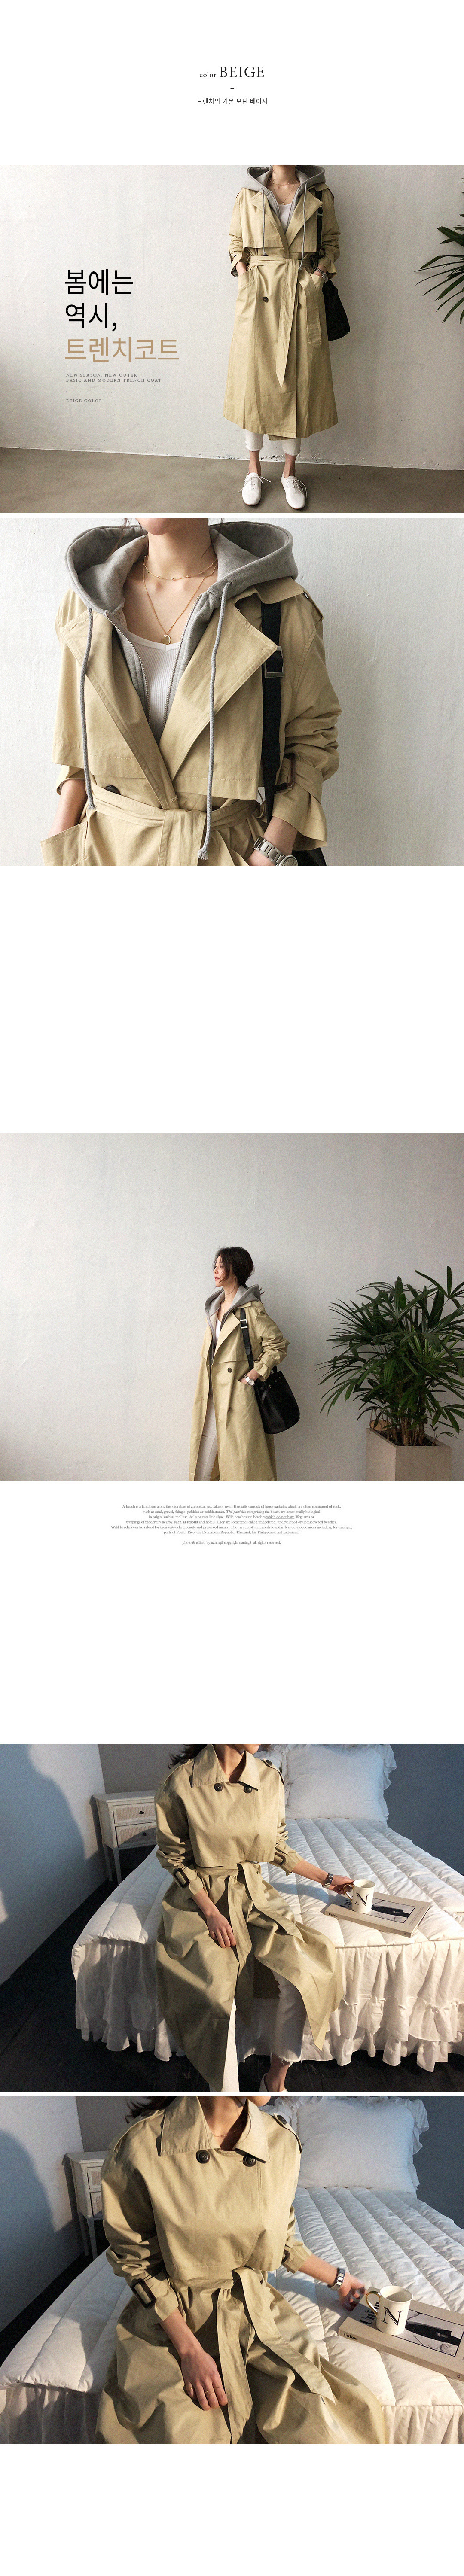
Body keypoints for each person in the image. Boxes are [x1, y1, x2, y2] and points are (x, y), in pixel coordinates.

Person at [42, 515, 339, 867]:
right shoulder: (85, 604)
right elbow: (78, 746)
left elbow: (310, 738)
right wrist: (62, 844)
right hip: (102, 854)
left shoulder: (280, 607)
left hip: (223, 855)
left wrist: (270, 854)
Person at [96, 2092, 385, 2443]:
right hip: (175, 2319)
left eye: (286, 2061)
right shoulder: (141, 2146)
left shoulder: (281, 2143)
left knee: (325, 2431)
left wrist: (340, 2279)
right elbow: (137, 2262)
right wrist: (189, 2351)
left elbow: (281, 2240)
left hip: (256, 2311)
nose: (283, 2068)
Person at [154, 1743, 353, 2089]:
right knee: (215, 1993)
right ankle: (226, 2091)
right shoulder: (181, 1782)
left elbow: (276, 1847)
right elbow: (175, 1858)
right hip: (201, 1897)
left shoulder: (268, 1778)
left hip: (253, 1892)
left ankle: (275, 2080)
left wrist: (327, 1878)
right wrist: (211, 1913)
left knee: (302, 1973)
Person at [224, 166, 340, 509]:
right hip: (258, 295)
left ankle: (290, 473)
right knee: (254, 382)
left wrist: (317, 277)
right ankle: (254, 470)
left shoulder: (320, 195)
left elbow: (331, 243)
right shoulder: (249, 194)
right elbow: (235, 243)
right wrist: (245, 275)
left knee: (298, 382)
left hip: (301, 294)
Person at [190, 1246, 293, 1481]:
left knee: (240, 1469)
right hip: (210, 1394)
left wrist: (252, 1377)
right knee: (202, 1469)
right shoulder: (214, 1307)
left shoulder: (251, 1309)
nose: (216, 1271)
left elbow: (278, 1345)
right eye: (215, 1266)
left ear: (235, 1270)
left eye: (221, 1266)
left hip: (237, 1398)